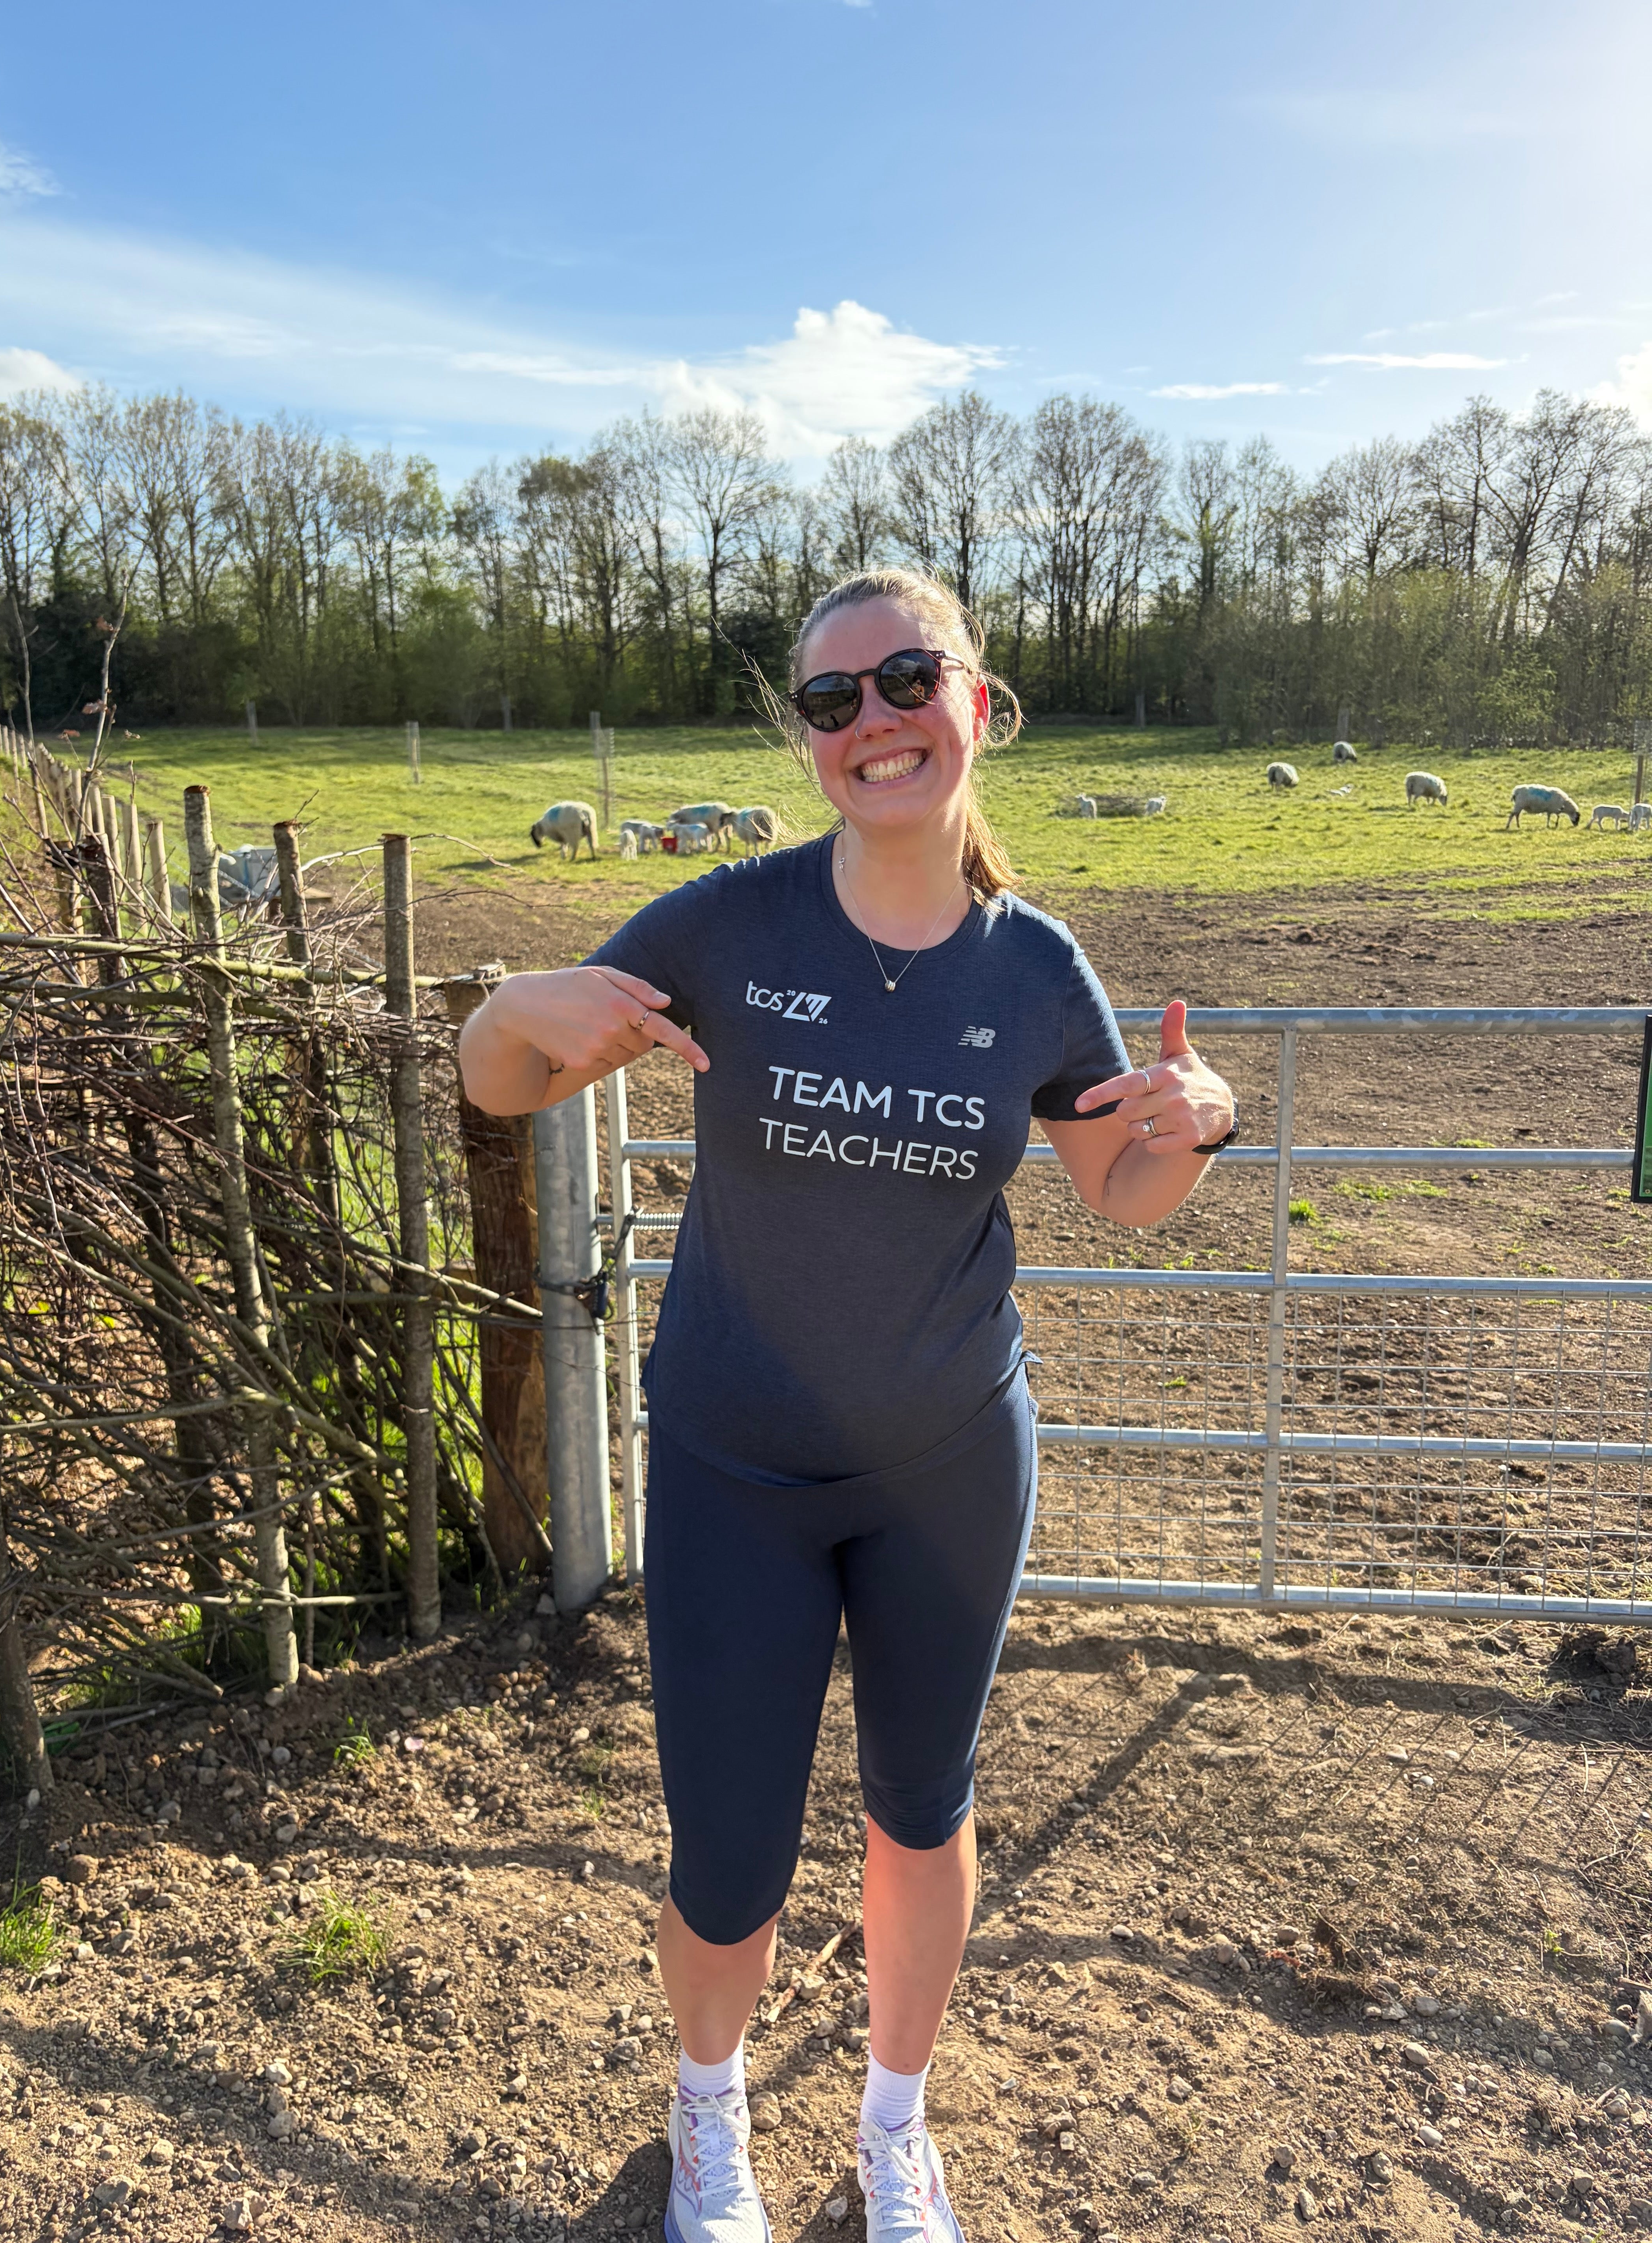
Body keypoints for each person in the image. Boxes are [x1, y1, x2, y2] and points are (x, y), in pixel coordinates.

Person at [458, 569, 1237, 2243]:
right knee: (728, 1855)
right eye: (832, 703)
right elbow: (504, 1076)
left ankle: (897, 2129)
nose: (871, 724)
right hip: (737, 1467)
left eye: (903, 682)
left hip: (949, 1467)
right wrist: (512, 1010)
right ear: (806, 739)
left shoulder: (1037, 967)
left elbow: (1123, 1186)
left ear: (975, 697)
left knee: (920, 1810)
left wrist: (1200, 1118)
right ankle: (708, 2114)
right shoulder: (727, 925)